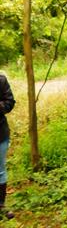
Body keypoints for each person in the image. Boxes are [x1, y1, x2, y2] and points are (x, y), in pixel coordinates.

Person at [0, 74, 15, 219]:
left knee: (0, 171)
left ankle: (1, 206)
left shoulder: (1, 80)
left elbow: (10, 102)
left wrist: (0, 105)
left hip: (0, 134)